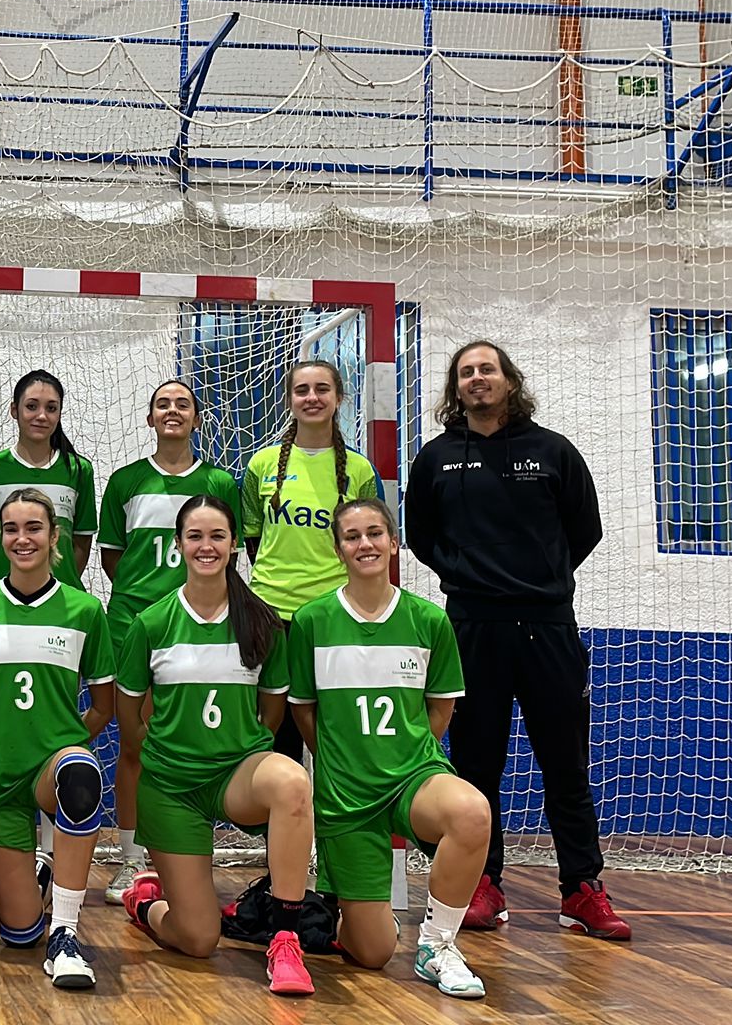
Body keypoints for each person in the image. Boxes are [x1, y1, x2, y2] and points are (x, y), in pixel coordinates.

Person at [403, 340, 626, 939]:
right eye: (466, 372)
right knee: (476, 766)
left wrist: (537, 581)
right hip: (472, 629)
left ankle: (582, 889)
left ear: (508, 381)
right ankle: (483, 883)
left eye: (487, 369)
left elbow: (586, 529)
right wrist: (476, 578)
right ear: (456, 388)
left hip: (548, 626)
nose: (478, 379)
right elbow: (421, 535)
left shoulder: (553, 451)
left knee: (565, 766)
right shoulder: (437, 458)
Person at [288, 498, 491, 1000]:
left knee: (472, 812)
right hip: (347, 797)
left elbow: (439, 710)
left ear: (393, 542)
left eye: (375, 533)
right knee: (373, 953)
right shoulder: (312, 622)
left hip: (412, 776)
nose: (365, 544)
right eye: (352, 536)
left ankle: (438, 946)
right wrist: (343, 761)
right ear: (338, 550)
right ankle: (343, 902)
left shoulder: (428, 620)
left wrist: (408, 754)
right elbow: (304, 711)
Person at [115, 495, 318, 998]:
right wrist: (169, 757)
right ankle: (145, 902)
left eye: (217, 537)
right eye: (196, 536)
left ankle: (284, 936)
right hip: (172, 789)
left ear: (233, 546)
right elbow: (129, 718)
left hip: (236, 774)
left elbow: (271, 717)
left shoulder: (262, 623)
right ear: (179, 544)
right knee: (199, 939)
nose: (206, 546)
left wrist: (244, 753)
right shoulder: (152, 623)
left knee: (292, 781)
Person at [0, 489, 114, 989]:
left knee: (80, 773)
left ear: (54, 537)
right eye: (11, 529)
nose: (22, 538)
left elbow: (104, 706)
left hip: (51, 765)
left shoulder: (85, 610)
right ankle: (40, 882)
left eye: (33, 528)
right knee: (19, 934)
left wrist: (62, 739)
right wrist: (1, 735)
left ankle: (66, 934)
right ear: (0, 537)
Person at [95, 380, 238, 904]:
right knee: (134, 743)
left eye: (183, 404)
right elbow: (114, 558)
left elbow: (227, 556)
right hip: (137, 624)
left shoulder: (220, 481)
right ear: (150, 418)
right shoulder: (126, 481)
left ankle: (183, 857)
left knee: (185, 747)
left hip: (200, 632)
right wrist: (148, 601)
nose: (172, 411)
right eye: (163, 404)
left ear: (197, 419)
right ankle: (133, 862)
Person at [241, 360, 379, 764]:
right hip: (270, 615)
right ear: (289, 401)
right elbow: (252, 537)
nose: (312, 397)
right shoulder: (261, 465)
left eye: (322, 389)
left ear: (339, 398)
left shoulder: (358, 470)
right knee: (276, 739)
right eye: (302, 390)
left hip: (332, 616)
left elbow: (368, 544)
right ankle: (280, 828)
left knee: (334, 730)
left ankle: (338, 825)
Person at [0, 370, 99, 590]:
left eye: (51, 408)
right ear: (14, 410)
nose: (41, 416)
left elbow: (81, 543)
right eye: (31, 406)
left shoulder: (79, 470)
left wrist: (56, 587)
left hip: (61, 603)